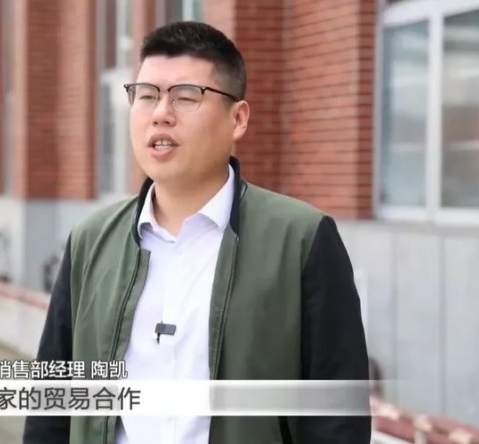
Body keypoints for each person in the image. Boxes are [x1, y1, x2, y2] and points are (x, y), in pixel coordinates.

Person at [23, 21, 371, 444]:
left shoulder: (301, 240)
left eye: (186, 96)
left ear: (238, 118)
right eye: (146, 95)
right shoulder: (91, 240)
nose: (160, 113)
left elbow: (338, 418)